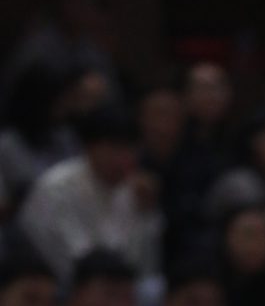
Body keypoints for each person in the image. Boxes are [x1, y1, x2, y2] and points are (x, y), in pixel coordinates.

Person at [17, 101, 161, 286]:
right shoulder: (55, 189)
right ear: (90, 147)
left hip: (121, 295)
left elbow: (147, 266)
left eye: (131, 149)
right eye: (115, 148)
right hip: (58, 292)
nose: (124, 158)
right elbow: (71, 264)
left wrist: (148, 213)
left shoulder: (135, 191)